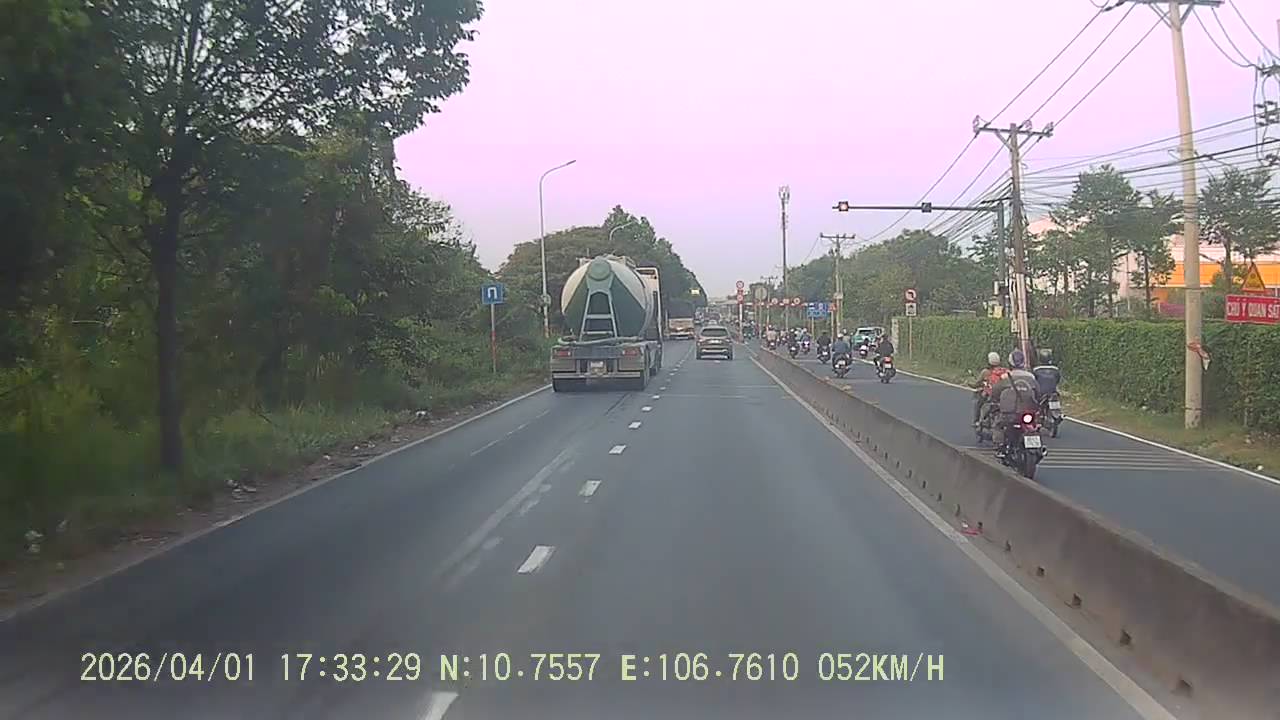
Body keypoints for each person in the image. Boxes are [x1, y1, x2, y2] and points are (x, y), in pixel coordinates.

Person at [989, 350, 1041, 455]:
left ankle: (1000, 446)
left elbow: (995, 392)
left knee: (998, 425)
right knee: (1035, 426)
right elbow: (1038, 393)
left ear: (1010, 363)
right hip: (1029, 413)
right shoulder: (1031, 377)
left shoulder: (1005, 377)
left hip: (1009, 413)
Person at [969, 352, 1007, 428]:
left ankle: (976, 421)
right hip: (1004, 395)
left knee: (978, 402)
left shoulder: (985, 372)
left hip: (991, 395)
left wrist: (970, 384)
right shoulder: (1004, 371)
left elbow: (977, 383)